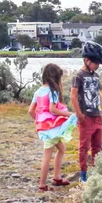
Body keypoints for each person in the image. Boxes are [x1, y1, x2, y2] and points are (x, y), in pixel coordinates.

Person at [29, 63, 76, 191]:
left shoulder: (38, 91)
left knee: (61, 148)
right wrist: (69, 114)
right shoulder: (53, 91)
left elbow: (31, 110)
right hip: (52, 128)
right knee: (47, 155)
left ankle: (56, 177)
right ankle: (42, 185)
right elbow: (53, 109)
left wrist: (38, 121)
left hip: (45, 128)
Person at [71, 42, 102, 182]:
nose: (97, 66)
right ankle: (83, 174)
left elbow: (97, 94)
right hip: (86, 117)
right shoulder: (78, 76)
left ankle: (96, 170)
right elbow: (73, 95)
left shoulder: (96, 76)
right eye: (96, 63)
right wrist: (79, 114)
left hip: (96, 116)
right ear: (87, 60)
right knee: (84, 146)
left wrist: (101, 111)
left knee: (97, 146)